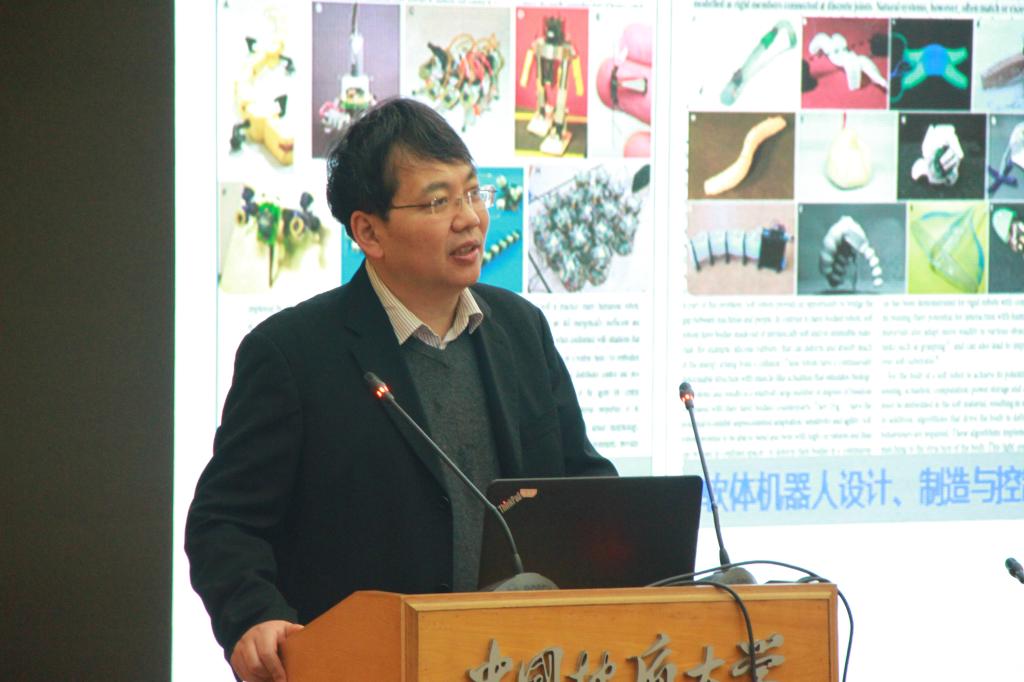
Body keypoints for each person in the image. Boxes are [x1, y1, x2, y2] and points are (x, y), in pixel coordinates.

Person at [185, 98, 615, 682]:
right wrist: (254, 616)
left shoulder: (521, 328)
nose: (469, 219)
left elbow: (581, 482)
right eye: (439, 202)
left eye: (473, 193)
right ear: (368, 231)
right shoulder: (292, 353)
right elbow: (225, 522)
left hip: (521, 659)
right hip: (367, 664)